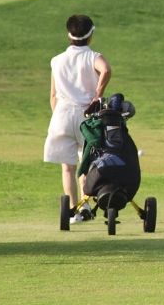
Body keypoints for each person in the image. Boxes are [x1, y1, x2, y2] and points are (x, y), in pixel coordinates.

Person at [43, 14, 111, 224]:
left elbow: (53, 97)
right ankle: (86, 204)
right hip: (86, 115)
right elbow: (106, 70)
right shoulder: (92, 56)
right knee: (88, 162)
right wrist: (98, 94)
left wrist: (59, 116)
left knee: (68, 167)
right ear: (91, 35)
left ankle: (75, 212)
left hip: (61, 115)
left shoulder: (56, 60)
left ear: (69, 34)